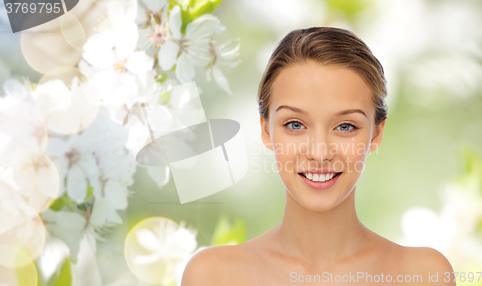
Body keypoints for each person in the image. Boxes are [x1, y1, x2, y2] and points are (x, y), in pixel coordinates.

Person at [181, 27, 455, 285]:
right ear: (266, 130)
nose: (320, 153)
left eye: (345, 126)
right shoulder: (213, 276)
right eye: (295, 125)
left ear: (376, 133)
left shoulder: (424, 274)